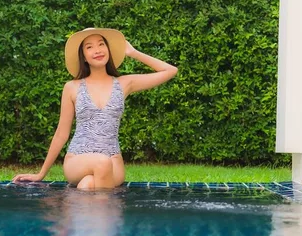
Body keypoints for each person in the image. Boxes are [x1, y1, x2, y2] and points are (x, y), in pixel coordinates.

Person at [12, 27, 178, 189]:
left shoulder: (124, 84)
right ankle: (109, 214)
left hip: (113, 162)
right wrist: (41, 173)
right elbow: (62, 133)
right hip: (77, 160)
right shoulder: (72, 87)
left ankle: (86, 213)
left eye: (101, 44)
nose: (97, 50)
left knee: (88, 184)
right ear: (83, 56)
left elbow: (170, 70)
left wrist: (133, 52)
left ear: (108, 49)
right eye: (89, 47)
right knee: (101, 161)